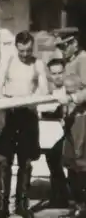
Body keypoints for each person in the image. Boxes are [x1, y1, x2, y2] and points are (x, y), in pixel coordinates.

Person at [0, 31, 49, 218]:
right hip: (9, 113)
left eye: (28, 50)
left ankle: (22, 205)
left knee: (25, 161)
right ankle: (2, 207)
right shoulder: (7, 62)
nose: (25, 54)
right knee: (4, 161)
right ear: (16, 47)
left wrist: (31, 99)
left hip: (28, 115)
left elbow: (44, 91)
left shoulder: (38, 64)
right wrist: (10, 100)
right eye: (22, 50)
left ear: (33, 48)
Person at [53, 28, 86, 218]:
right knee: (70, 161)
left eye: (65, 45)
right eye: (60, 46)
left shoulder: (83, 60)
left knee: (79, 163)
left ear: (74, 43)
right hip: (71, 118)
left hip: (82, 117)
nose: (62, 50)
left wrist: (74, 97)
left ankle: (80, 207)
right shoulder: (69, 62)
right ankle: (75, 204)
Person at [37, 58, 69, 209]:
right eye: (54, 73)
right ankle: (59, 197)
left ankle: (69, 197)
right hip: (52, 132)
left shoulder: (70, 89)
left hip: (70, 132)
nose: (57, 76)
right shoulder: (46, 91)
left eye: (60, 73)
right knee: (53, 162)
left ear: (65, 72)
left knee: (70, 165)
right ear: (49, 75)